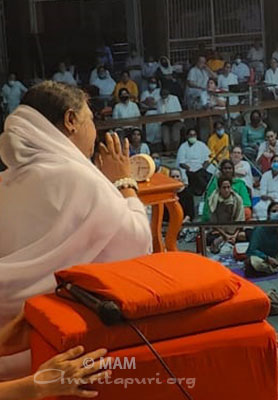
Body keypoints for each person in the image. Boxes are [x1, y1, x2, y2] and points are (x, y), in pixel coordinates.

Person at [0, 81, 152, 378]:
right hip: (58, 349)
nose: (94, 133)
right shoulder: (82, 180)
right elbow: (138, 242)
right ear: (71, 120)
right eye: (90, 120)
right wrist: (124, 182)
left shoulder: (5, 182)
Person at [246, 202, 278, 275]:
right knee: (254, 261)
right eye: (274, 211)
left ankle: (272, 270)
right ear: (268, 214)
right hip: (264, 258)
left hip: (277, 257)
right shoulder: (260, 228)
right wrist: (267, 258)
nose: (277, 214)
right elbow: (252, 250)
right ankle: (277, 269)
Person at [207, 176, 245, 254]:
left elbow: (240, 221)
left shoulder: (237, 199)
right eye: (224, 187)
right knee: (209, 238)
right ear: (219, 188)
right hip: (219, 231)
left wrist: (234, 235)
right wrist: (225, 235)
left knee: (243, 236)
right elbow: (214, 223)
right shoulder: (214, 200)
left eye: (228, 187)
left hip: (234, 231)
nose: (226, 190)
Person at [176, 128, 212, 196]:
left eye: (194, 135)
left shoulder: (201, 145)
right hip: (188, 168)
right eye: (190, 135)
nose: (192, 137)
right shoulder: (183, 147)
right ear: (187, 136)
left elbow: (207, 159)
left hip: (201, 167)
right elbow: (181, 163)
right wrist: (190, 168)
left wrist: (203, 168)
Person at [156, 88, 183, 153]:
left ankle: (175, 151)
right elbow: (160, 113)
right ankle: (169, 152)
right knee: (166, 141)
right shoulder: (159, 101)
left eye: (165, 95)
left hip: (176, 120)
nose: (164, 96)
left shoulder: (174, 98)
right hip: (165, 122)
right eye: (162, 95)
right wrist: (163, 103)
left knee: (175, 139)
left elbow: (179, 111)